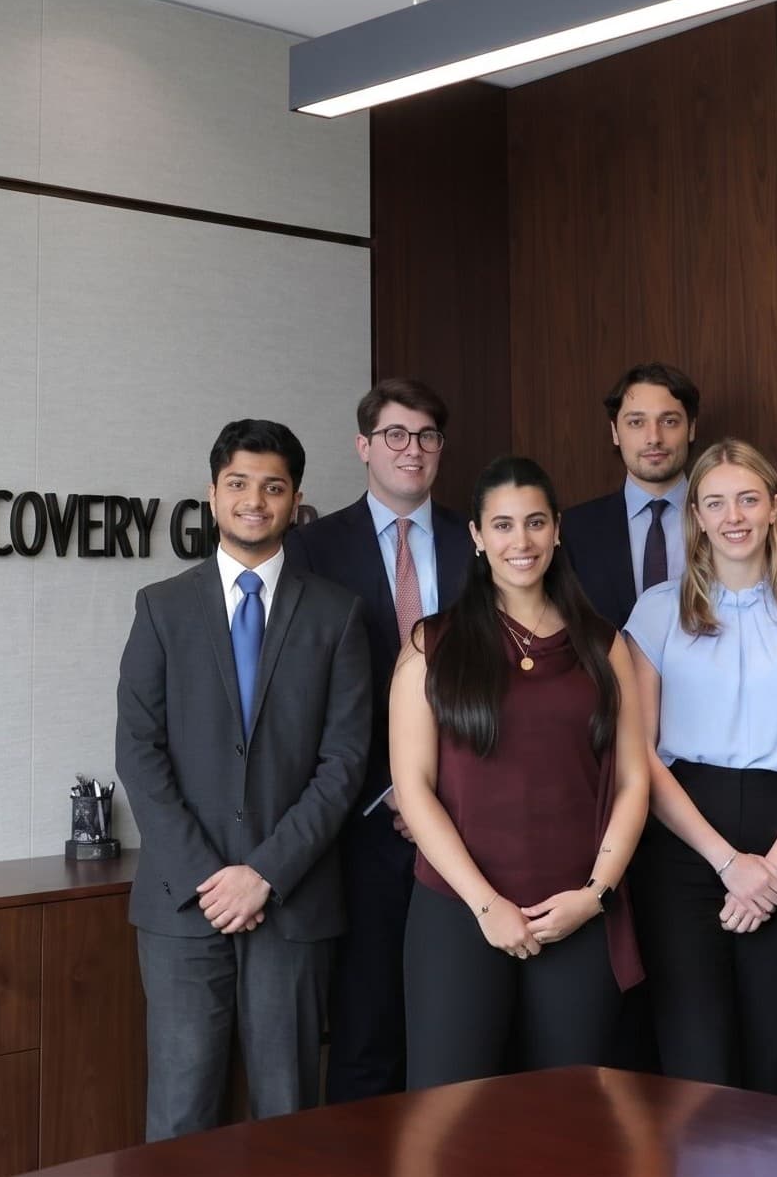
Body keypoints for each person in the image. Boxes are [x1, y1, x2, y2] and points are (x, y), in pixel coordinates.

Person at [114, 418, 373, 1139]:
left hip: (293, 903)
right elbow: (139, 752)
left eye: (272, 486)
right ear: (212, 494)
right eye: (238, 483)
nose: (254, 500)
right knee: (180, 1112)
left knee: (288, 1116)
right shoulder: (161, 609)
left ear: (295, 499)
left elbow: (344, 762)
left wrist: (263, 871)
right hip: (181, 905)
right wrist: (210, 874)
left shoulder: (337, 614)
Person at [390, 456, 649, 1088]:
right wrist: (487, 906)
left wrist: (594, 896)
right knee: (451, 1119)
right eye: (502, 525)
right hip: (458, 909)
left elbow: (634, 781)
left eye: (535, 523)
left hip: (576, 912)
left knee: (570, 1119)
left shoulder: (603, 643)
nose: (521, 541)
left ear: (557, 529)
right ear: (477, 536)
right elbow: (414, 789)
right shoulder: (433, 644)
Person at [620, 438, 777, 1096]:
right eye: (716, 501)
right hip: (683, 846)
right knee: (698, 1058)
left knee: (776, 1049)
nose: (734, 516)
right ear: (695, 514)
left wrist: (771, 868)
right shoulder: (659, 611)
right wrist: (728, 862)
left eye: (748, 498)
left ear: (774, 506)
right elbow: (639, 750)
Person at [284, 377, 472, 1104]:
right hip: (359, 823)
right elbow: (304, 692)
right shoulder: (310, 548)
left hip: (466, 817)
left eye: (426, 436)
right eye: (395, 434)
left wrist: (438, 787)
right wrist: (392, 786)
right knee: (366, 1032)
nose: (411, 449)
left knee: (459, 1028)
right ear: (364, 446)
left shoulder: (477, 539)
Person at [562, 363, 701, 628]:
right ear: (615, 432)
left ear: (691, 428)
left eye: (669, 421)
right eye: (636, 422)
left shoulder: (728, 521)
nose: (653, 438)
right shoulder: (574, 530)